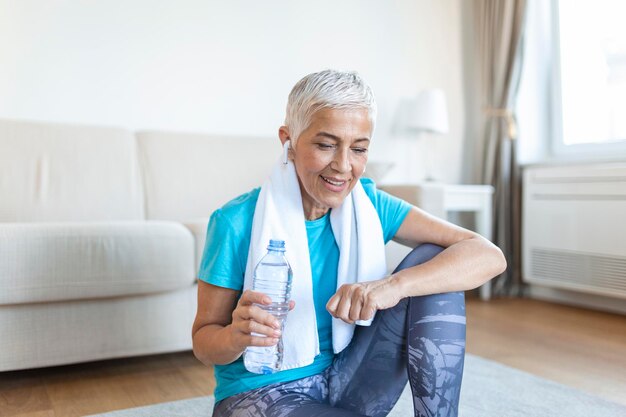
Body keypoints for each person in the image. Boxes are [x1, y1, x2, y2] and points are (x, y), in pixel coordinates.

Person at [192, 69, 506, 417]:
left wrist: (393, 286)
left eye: (358, 149)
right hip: (259, 392)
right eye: (326, 145)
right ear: (288, 140)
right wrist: (236, 335)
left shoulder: (369, 205)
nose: (343, 166)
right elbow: (204, 343)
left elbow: (488, 255)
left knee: (434, 259)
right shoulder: (235, 221)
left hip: (348, 377)